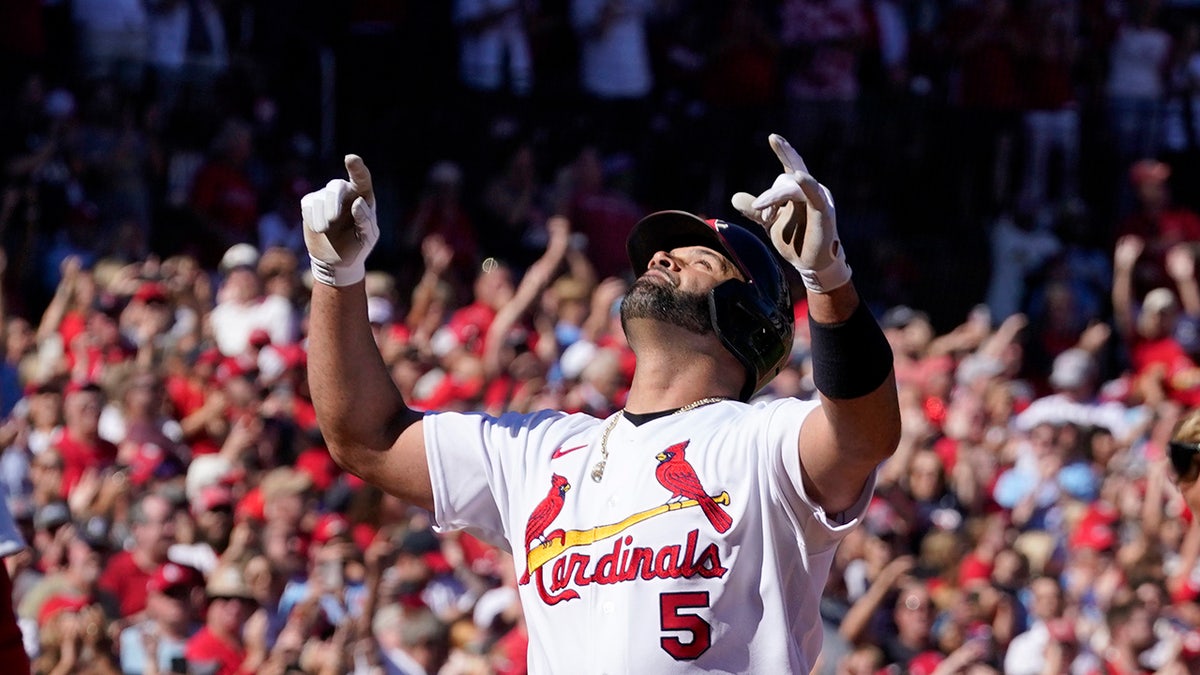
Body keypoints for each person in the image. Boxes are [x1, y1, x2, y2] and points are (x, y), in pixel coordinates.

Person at [301, 133, 900, 673]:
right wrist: (335, 274)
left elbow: (863, 435)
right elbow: (366, 437)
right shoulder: (541, 450)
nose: (663, 259)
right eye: (660, 255)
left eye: (702, 260)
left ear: (745, 316)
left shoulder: (762, 440)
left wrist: (827, 278)